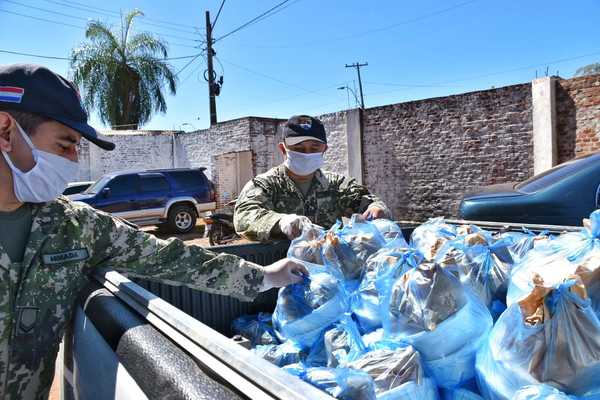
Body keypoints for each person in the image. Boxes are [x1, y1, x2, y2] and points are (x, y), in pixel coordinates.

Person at [0, 64, 307, 400]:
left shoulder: (73, 226)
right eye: (64, 146)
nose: (73, 160)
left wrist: (262, 277)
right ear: (5, 131)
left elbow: (168, 258)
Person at [234, 115, 391, 242]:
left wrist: (376, 209)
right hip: (281, 270)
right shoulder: (266, 184)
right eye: (298, 148)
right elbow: (244, 216)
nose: (306, 154)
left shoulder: (336, 184)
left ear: (324, 150)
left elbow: (370, 203)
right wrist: (281, 222)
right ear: (283, 149)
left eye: (314, 148)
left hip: (328, 268)